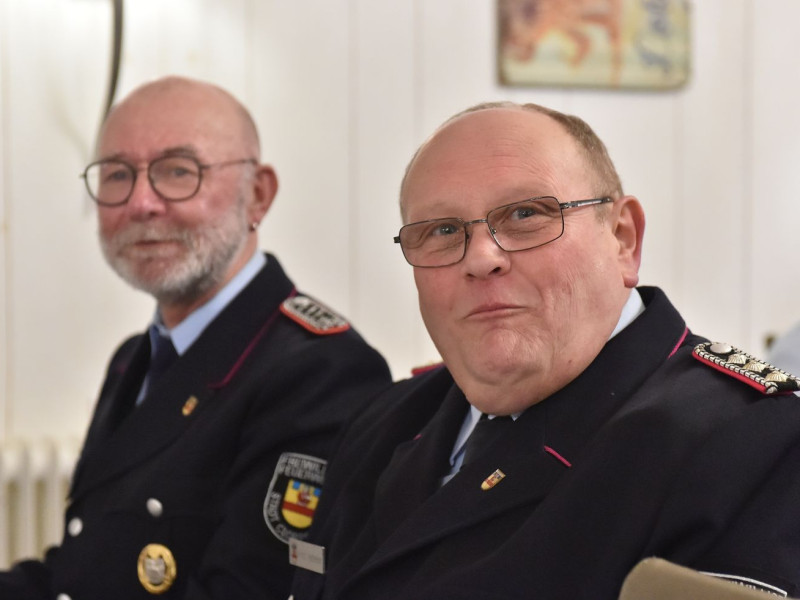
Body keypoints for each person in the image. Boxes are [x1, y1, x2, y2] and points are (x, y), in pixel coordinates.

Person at [289, 102, 800, 600]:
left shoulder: (754, 442)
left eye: (526, 214)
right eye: (442, 231)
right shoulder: (383, 421)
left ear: (623, 239)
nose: (481, 259)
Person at [0, 76, 391, 600]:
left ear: (257, 195)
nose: (142, 203)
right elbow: (82, 569)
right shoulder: (135, 359)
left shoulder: (319, 371)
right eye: (118, 174)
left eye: (178, 171)